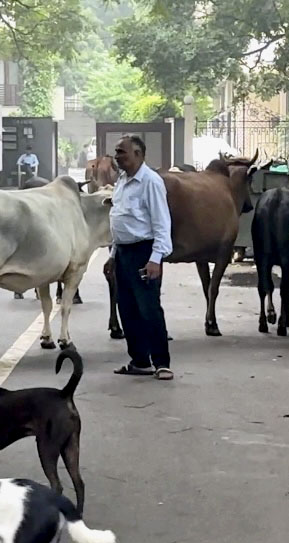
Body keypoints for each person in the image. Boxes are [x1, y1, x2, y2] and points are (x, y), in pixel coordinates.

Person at [106, 135, 173, 381]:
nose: (117, 156)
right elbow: (120, 218)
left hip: (144, 252)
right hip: (123, 252)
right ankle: (140, 360)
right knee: (127, 308)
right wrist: (113, 254)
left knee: (149, 309)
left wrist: (155, 259)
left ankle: (162, 363)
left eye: (121, 152)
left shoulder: (150, 182)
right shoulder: (122, 181)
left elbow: (162, 224)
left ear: (138, 154)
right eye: (116, 152)